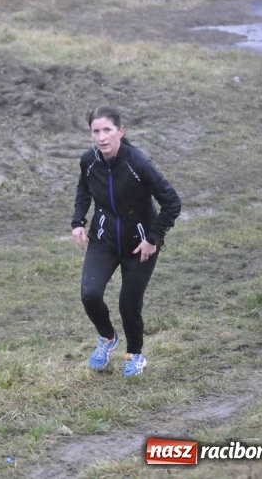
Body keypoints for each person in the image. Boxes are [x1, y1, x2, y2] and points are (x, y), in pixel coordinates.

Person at [70, 106, 181, 377]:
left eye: (107, 130)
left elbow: (172, 203)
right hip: (103, 239)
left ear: (120, 131)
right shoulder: (89, 161)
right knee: (90, 294)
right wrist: (78, 222)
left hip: (139, 245)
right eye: (96, 131)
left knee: (128, 305)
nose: (101, 137)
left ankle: (135, 355)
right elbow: (83, 189)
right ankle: (108, 338)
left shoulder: (138, 163)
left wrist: (153, 239)